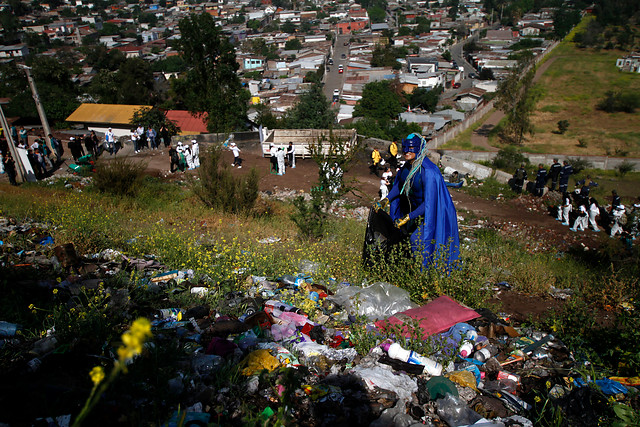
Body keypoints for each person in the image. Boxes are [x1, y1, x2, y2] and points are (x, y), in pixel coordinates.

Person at [379, 133, 460, 269]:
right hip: (412, 211)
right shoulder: (406, 168)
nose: (406, 151)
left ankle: (424, 274)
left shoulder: (428, 172)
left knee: (417, 241)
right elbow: (399, 185)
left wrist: (408, 217)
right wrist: (386, 200)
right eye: (405, 148)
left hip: (431, 212)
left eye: (411, 148)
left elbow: (429, 204)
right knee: (399, 238)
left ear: (418, 149)